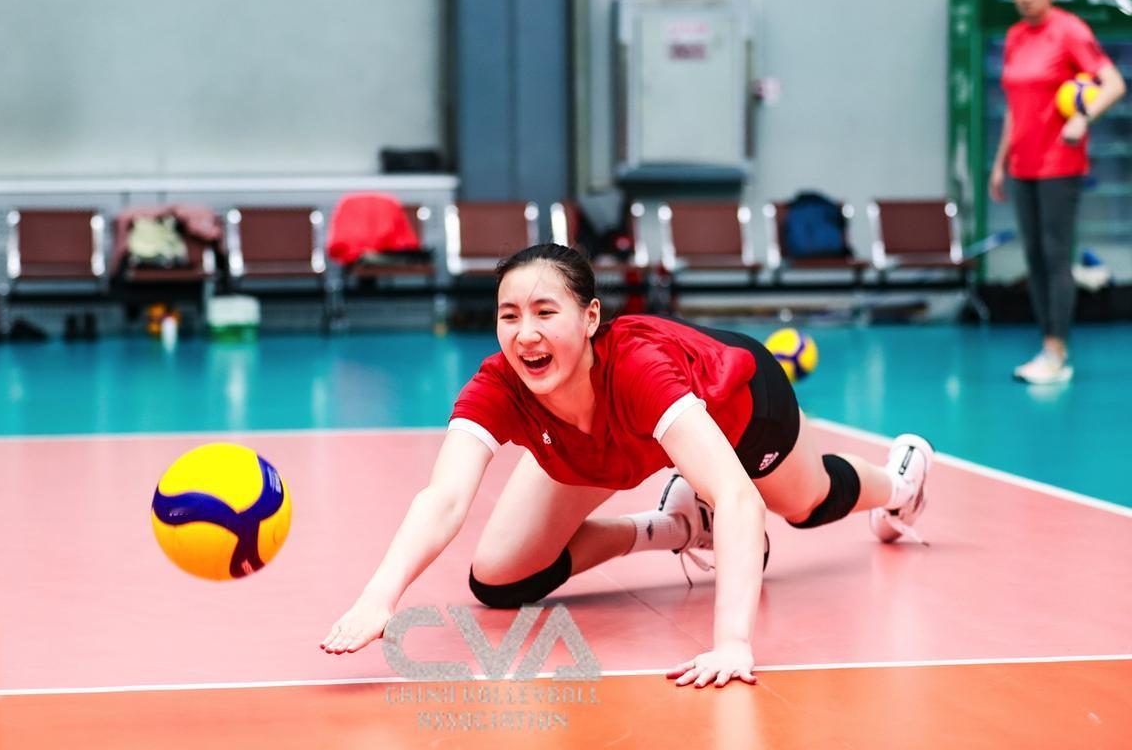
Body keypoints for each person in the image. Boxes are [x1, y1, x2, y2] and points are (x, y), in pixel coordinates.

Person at [321, 244, 932, 688]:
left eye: (545, 312)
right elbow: (445, 498)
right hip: (603, 450)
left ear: (590, 318)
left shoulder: (638, 368)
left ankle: (900, 482)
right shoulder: (500, 386)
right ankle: (677, 526)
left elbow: (738, 497)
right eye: (510, 316)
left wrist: (731, 643)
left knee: (805, 503)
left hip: (736, 409)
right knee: (501, 581)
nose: (525, 334)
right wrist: (380, 598)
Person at [989, 0, 1127, 385]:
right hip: (1022, 166)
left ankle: (1056, 351)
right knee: (1033, 258)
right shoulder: (1015, 36)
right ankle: (1045, 347)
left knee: (1055, 256)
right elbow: (1015, 109)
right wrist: (999, 164)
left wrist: (1083, 119)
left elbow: (1114, 84)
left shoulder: (1070, 31)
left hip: (1059, 165)